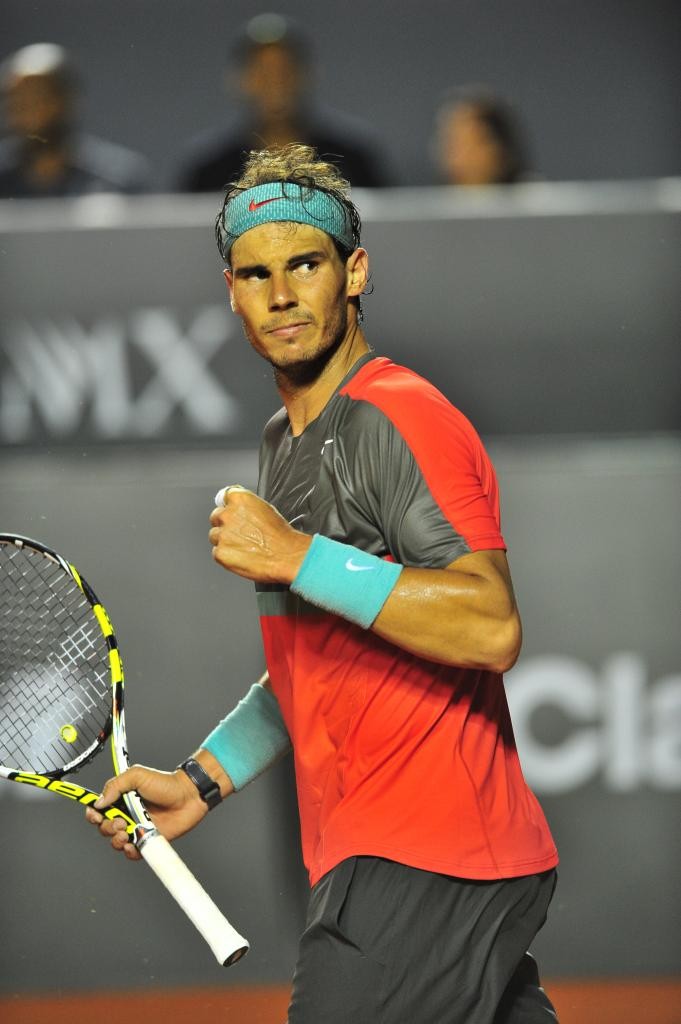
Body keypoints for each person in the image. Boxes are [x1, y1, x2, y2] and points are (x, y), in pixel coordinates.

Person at [87, 143, 559, 1023]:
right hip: (404, 857)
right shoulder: (284, 442)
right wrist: (201, 780)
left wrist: (296, 556)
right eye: (254, 272)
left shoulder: (399, 414)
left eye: (305, 263)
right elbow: (325, 659)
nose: (280, 292)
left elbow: (489, 624)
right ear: (230, 290)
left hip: (423, 856)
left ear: (354, 272)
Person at [175, 13, 388, 192]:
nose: (275, 82)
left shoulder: (353, 157)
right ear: (240, 80)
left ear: (307, 75)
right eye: (262, 72)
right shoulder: (209, 168)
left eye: (284, 70)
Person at [0, 43, 150, 198]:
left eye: (36, 99)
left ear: (67, 101)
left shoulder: (116, 178)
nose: (23, 112)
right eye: (15, 101)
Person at [433, 85, 531, 186]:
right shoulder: (434, 199)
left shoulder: (532, 197)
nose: (457, 158)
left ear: (500, 148)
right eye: (451, 144)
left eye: (469, 144)